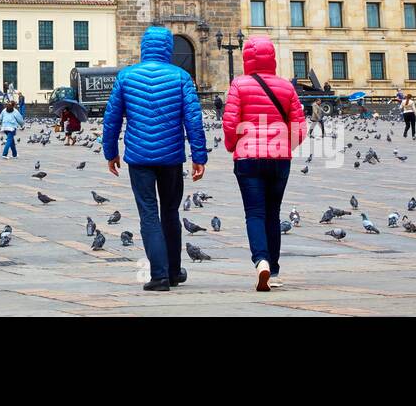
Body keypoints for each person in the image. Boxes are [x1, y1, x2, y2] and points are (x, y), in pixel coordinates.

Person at [102, 26, 207, 293]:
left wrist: (110, 151)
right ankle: (173, 272)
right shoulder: (181, 76)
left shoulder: (126, 76)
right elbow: (194, 120)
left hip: (138, 156)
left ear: (143, 47)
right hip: (171, 156)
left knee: (148, 214)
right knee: (170, 212)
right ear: (168, 48)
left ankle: (159, 275)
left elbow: (112, 117)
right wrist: (199, 155)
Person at [222, 36, 306, 292]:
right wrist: (285, 146)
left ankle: (261, 262)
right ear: (273, 58)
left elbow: (230, 122)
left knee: (255, 213)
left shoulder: (239, 84)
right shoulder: (286, 86)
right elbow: (300, 126)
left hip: (248, 159)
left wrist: (232, 145)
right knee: (273, 213)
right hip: (279, 160)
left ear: (247, 57)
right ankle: (276, 270)